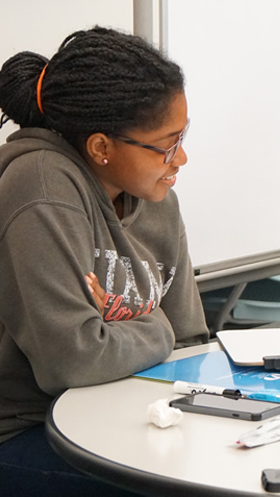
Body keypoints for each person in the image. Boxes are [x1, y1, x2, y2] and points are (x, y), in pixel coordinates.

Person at [0, 27, 209, 495]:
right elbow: (73, 360)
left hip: (130, 417)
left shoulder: (155, 196)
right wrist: (152, 325)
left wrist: (120, 323)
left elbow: (192, 342)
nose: (182, 159)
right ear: (101, 148)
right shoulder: (40, 185)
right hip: (31, 431)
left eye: (183, 136)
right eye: (167, 144)